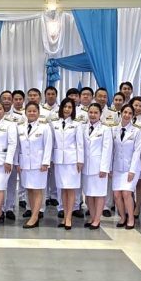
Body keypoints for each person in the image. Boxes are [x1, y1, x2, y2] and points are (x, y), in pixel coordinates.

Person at [16, 102, 52, 229]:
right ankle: (33, 213)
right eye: (29, 111)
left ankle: (35, 216)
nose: (32, 113)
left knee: (37, 190)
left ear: (38, 113)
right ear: (25, 113)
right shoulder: (20, 127)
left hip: (39, 165)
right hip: (25, 164)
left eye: (34, 111)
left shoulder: (44, 127)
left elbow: (48, 146)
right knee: (29, 189)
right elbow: (18, 147)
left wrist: (45, 162)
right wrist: (17, 163)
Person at [50, 99, 83, 230]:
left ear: (73, 109)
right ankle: (64, 215)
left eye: (70, 107)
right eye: (65, 106)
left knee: (71, 189)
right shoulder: (54, 124)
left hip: (72, 161)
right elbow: (52, 143)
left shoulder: (77, 124)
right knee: (62, 189)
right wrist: (51, 160)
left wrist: (80, 160)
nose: (67, 109)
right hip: (59, 161)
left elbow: (80, 144)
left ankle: (69, 217)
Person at [109, 105, 141, 229]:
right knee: (117, 195)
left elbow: (137, 151)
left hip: (131, 168)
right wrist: (110, 168)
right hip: (117, 167)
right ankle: (122, 217)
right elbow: (111, 151)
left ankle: (131, 219)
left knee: (127, 193)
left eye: (130, 113)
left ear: (132, 116)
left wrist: (132, 170)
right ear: (121, 113)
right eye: (125, 112)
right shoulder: (113, 129)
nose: (127, 115)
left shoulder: (136, 131)